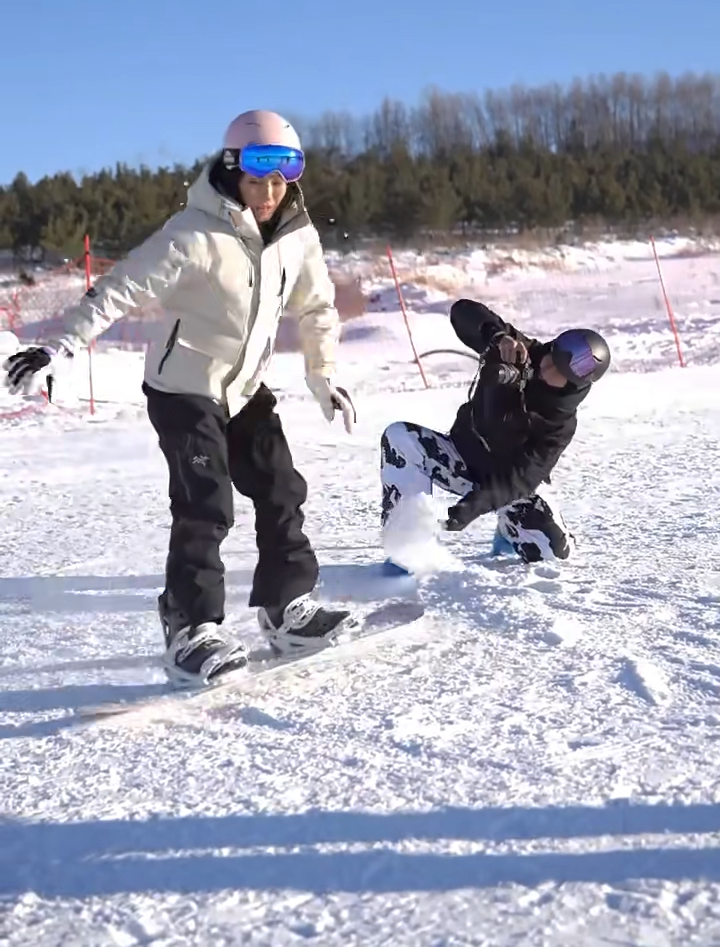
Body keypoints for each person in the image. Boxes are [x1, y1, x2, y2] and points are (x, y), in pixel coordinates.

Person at [3, 110, 357, 685]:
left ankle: (286, 608)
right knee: (205, 502)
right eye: (257, 178)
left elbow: (316, 308)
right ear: (231, 169)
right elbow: (118, 290)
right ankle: (190, 626)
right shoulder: (191, 234)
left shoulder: (298, 235)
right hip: (183, 388)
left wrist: (323, 373)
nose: (269, 193)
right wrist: (61, 349)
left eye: (280, 180)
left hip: (242, 388)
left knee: (280, 486)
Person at [380, 299, 610, 567]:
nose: (546, 369)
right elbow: (462, 311)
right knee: (399, 438)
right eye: (550, 359)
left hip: (508, 484)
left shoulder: (560, 424)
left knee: (554, 558)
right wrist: (496, 335)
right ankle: (408, 551)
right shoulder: (520, 350)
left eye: (558, 372)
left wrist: (470, 509)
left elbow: (521, 479)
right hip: (462, 456)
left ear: (573, 385)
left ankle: (511, 529)